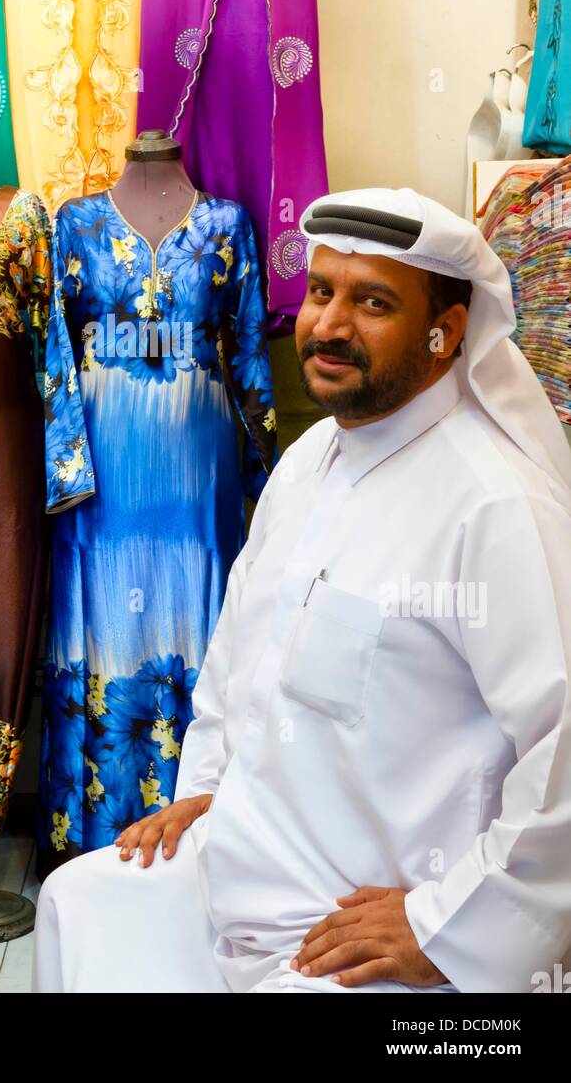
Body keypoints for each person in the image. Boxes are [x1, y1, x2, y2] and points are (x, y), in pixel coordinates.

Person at [31, 187, 571, 995]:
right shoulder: (309, 460)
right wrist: (207, 791)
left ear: (446, 330)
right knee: (79, 901)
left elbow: (561, 751)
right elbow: (235, 665)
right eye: (321, 293)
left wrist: (443, 926)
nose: (329, 325)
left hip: (359, 937)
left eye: (372, 302)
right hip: (243, 870)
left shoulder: (494, 505)